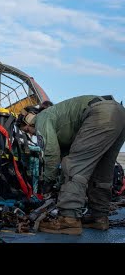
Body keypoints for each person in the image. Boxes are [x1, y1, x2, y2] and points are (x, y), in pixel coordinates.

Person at [17, 95, 125, 235]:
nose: (31, 135)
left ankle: (68, 220)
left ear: (30, 119)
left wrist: (48, 181)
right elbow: (65, 156)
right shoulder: (62, 124)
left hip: (100, 114)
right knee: (102, 171)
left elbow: (52, 154)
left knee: (74, 165)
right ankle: (99, 218)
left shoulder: (41, 119)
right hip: (119, 114)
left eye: (27, 130)